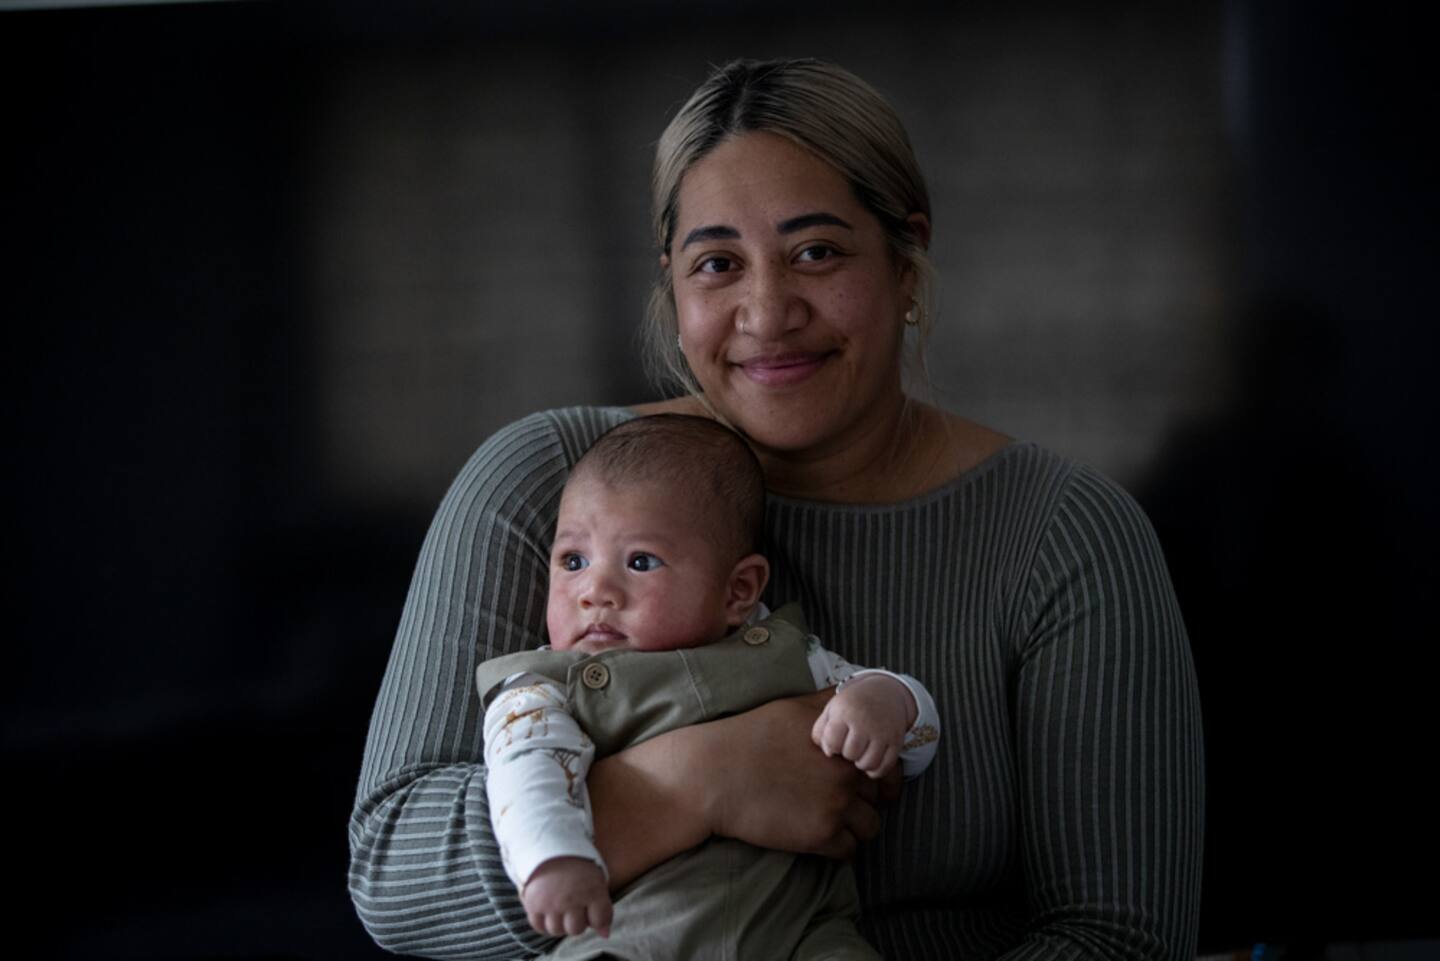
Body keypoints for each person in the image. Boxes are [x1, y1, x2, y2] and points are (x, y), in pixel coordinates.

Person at [349, 58, 1204, 960]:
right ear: (674, 287)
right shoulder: (548, 484)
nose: (766, 311)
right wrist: (701, 782)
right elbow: (392, 874)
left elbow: (1119, 936)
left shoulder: (1065, 535)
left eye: (818, 252)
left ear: (905, 263)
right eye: (717, 263)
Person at [476, 414, 940, 959]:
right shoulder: (541, 689)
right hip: (637, 933)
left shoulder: (787, 652)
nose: (595, 590)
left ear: (738, 590)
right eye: (573, 561)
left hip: (803, 931)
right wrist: (551, 859)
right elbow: (524, 772)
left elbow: (916, 735)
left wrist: (884, 702)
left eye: (641, 562)